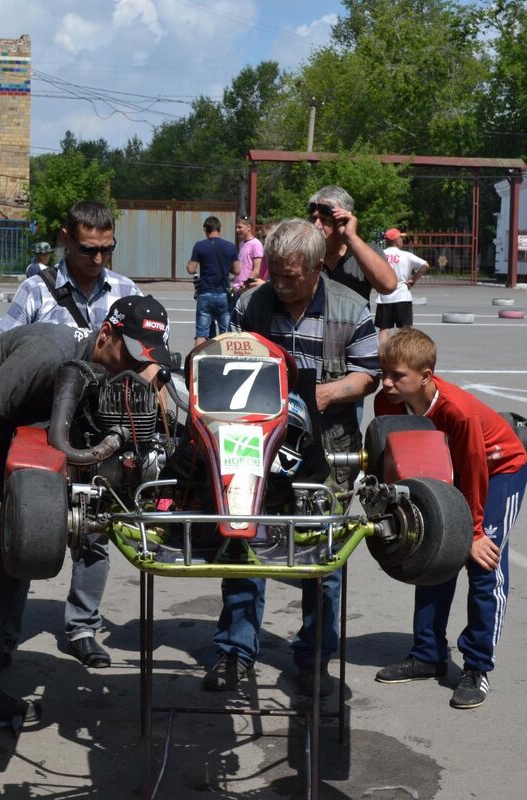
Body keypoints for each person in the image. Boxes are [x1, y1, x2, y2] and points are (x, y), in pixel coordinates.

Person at [0, 296, 174, 768]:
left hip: (0, 435)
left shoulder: (107, 374)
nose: (132, 366)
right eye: (127, 353)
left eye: (143, 359)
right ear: (105, 332)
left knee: (8, 565)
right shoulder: (51, 353)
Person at [204, 219, 380, 697]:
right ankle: (235, 651)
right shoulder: (249, 304)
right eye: (276, 274)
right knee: (243, 545)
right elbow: (222, 360)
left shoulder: (352, 308)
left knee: (321, 556)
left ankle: (314, 658)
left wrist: (317, 396)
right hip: (249, 445)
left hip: (328, 446)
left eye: (291, 277)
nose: (280, 284)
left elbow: (368, 375)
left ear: (319, 267)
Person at [0, 200, 146, 670]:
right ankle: (3, 632)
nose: (98, 259)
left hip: (99, 433)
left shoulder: (126, 292)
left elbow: (149, 359)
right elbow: (4, 354)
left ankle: (83, 627)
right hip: (39, 430)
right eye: (88, 249)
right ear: (66, 238)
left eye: (107, 248)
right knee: (23, 527)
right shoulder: (34, 291)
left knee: (95, 530)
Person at [372, 327, 527, 710]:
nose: (387, 383)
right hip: (443, 473)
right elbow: (396, 459)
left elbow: (475, 471)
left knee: (484, 565)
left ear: (426, 376)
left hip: (498, 472)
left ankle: (477, 666)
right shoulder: (387, 404)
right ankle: (428, 655)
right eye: (385, 373)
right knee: (432, 556)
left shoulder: (457, 412)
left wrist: (473, 532)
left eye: (398, 376)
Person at [186, 215, 240, 346]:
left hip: (205, 293)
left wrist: (190, 264)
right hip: (223, 294)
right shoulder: (230, 246)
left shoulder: (199, 246)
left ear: (206, 229)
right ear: (219, 229)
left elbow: (191, 269)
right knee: (226, 333)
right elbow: (237, 270)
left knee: (201, 334)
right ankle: (225, 362)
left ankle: (196, 363)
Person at [375, 227, 429, 329]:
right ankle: (403, 345)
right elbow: (425, 265)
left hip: (384, 297)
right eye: (400, 237)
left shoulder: (380, 254)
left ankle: (383, 346)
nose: (402, 240)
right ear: (396, 240)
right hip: (402, 296)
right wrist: (413, 280)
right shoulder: (406, 255)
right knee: (405, 329)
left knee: (383, 329)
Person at [233, 215, 265, 292]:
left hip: (246, 288)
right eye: (236, 227)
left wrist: (245, 285)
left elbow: (257, 270)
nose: (237, 230)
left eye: (240, 227)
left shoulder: (256, 244)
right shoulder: (242, 243)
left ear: (249, 227)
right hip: (237, 287)